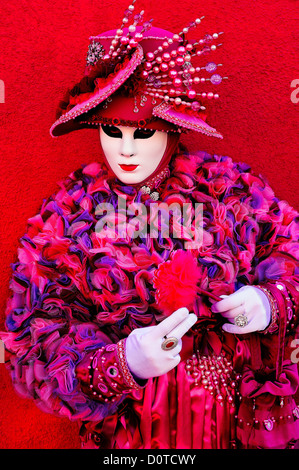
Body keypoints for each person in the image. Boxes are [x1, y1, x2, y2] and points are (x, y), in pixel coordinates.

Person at [1, 3, 299, 449]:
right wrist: (120, 363)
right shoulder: (68, 215)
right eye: (111, 130)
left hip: (235, 424)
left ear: (172, 130)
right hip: (131, 433)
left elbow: (289, 256)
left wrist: (268, 301)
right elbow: (31, 338)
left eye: (143, 133)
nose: (126, 150)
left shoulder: (231, 191)